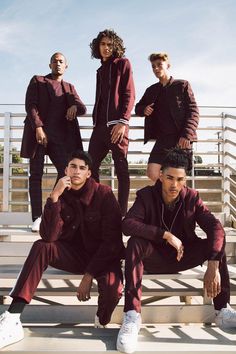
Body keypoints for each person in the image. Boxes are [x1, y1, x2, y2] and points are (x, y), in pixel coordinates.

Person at [0, 150, 124, 350]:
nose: (76, 171)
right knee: (41, 247)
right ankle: (13, 316)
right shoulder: (60, 194)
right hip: (73, 256)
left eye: (82, 168)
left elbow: (112, 243)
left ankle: (101, 319)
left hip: (103, 258)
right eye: (73, 166)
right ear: (65, 169)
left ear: (88, 173)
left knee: (113, 289)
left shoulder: (104, 194)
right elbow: (49, 236)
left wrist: (88, 275)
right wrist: (54, 197)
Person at [117, 147, 236, 354]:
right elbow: (128, 224)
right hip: (154, 258)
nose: (174, 185)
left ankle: (222, 310)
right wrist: (165, 235)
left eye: (180, 179)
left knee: (216, 243)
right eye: (170, 178)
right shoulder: (146, 195)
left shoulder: (191, 198)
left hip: (184, 257)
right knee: (135, 242)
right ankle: (132, 315)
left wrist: (214, 263)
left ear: (185, 180)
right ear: (161, 175)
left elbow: (216, 228)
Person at [20, 52, 87, 232]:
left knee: (65, 173)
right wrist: (38, 127)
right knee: (36, 175)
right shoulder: (38, 80)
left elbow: (83, 108)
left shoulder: (69, 87)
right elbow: (30, 105)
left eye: (61, 62)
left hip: (60, 138)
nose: (58, 64)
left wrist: (74, 106)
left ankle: (52, 207)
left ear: (66, 66)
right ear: (50, 65)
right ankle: (37, 217)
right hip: (39, 135)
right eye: (55, 61)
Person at [88, 29, 135, 216]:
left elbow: (129, 93)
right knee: (90, 166)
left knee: (121, 167)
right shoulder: (100, 70)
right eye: (102, 44)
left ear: (115, 46)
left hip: (117, 125)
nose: (106, 48)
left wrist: (123, 121)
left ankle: (122, 213)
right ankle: (100, 207)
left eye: (109, 44)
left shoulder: (123, 64)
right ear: (97, 47)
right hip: (99, 127)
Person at [135, 52, 199, 182]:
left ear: (168, 65)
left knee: (178, 177)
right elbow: (138, 108)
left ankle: (177, 201)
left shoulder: (182, 85)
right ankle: (165, 198)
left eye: (159, 65)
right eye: (153, 66)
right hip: (163, 140)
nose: (156, 69)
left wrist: (187, 134)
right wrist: (144, 109)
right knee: (152, 172)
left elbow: (193, 111)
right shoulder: (151, 90)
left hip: (181, 139)